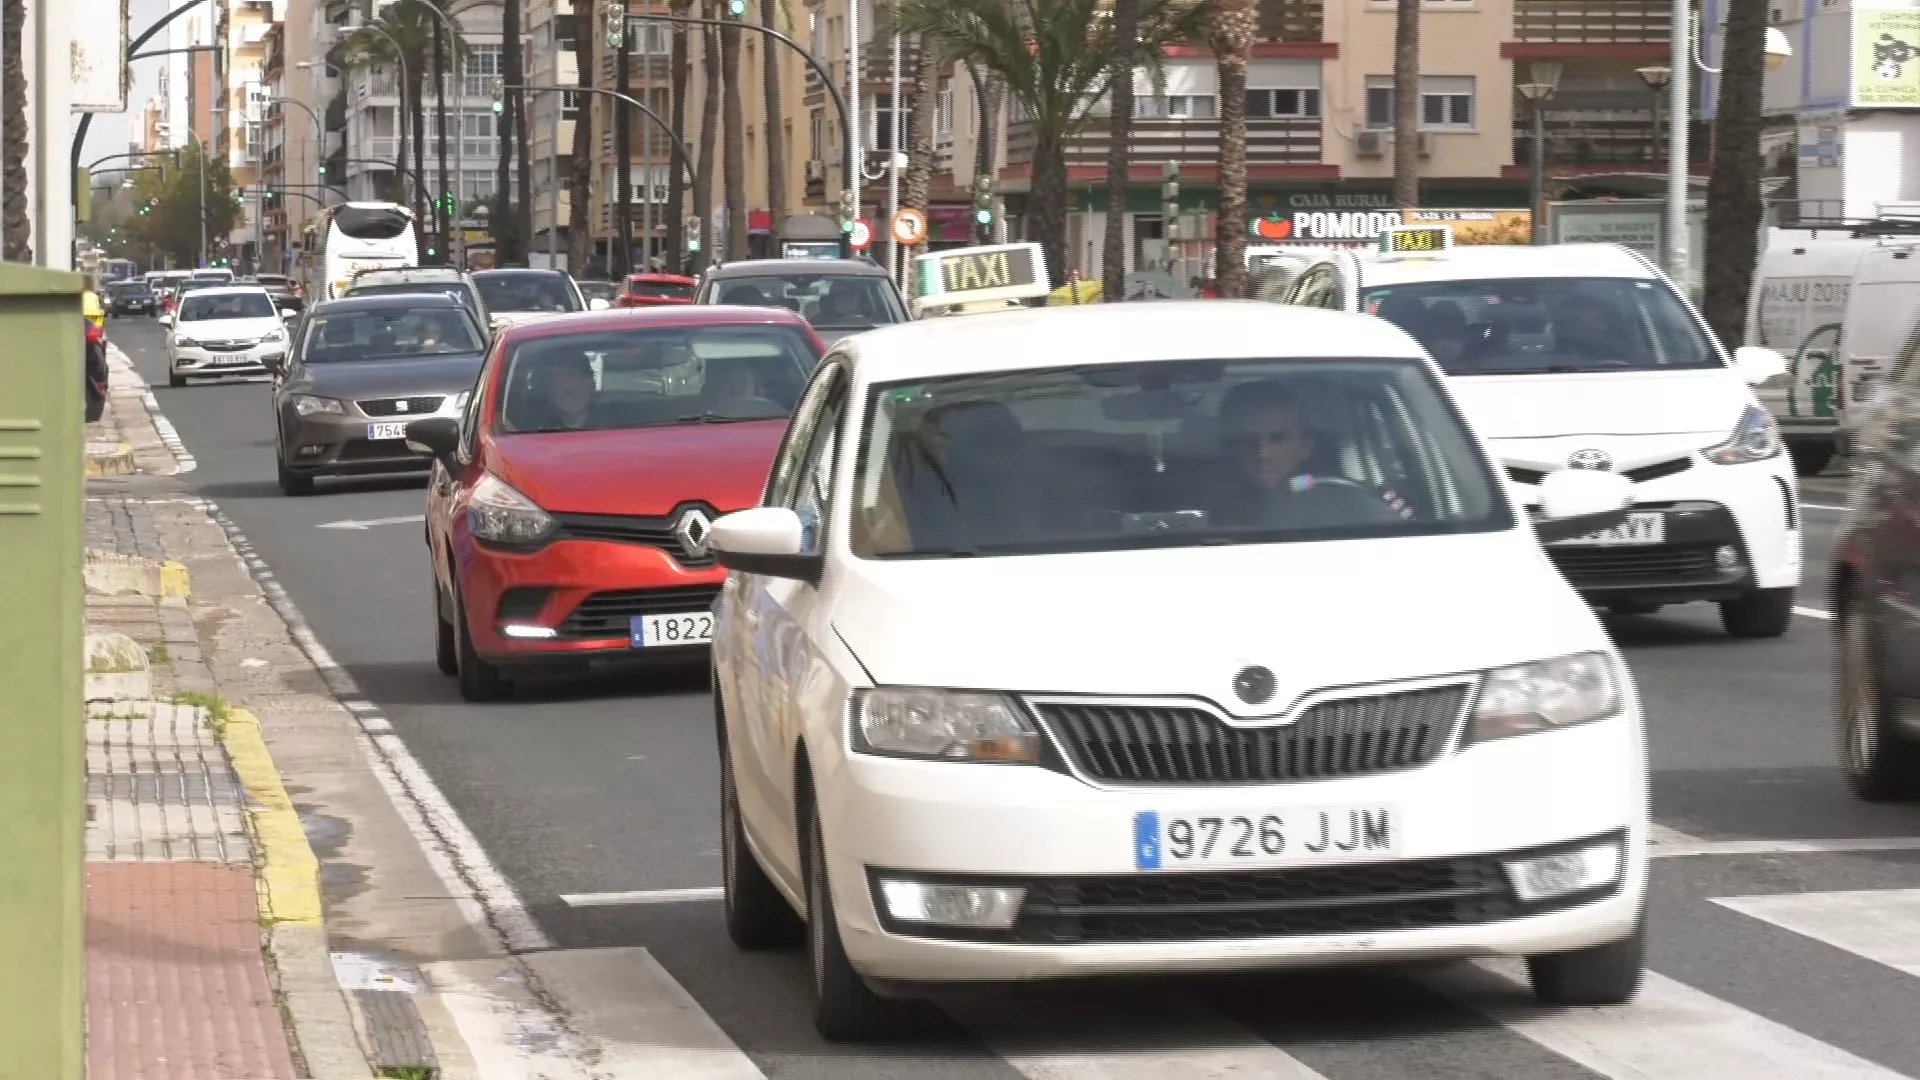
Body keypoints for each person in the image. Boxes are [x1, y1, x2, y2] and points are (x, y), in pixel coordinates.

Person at [1211, 380, 1404, 530]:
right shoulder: (1198, 497)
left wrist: (1375, 503)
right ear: (1230, 446)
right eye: (1248, 441)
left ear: (1305, 447)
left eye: (1278, 438)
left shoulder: (1321, 488)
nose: (1263, 453)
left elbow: (1311, 483)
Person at [521, 353, 598, 431]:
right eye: (566, 392)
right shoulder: (534, 423)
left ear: (589, 385)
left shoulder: (608, 419)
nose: (571, 399)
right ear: (549, 392)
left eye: (573, 375)